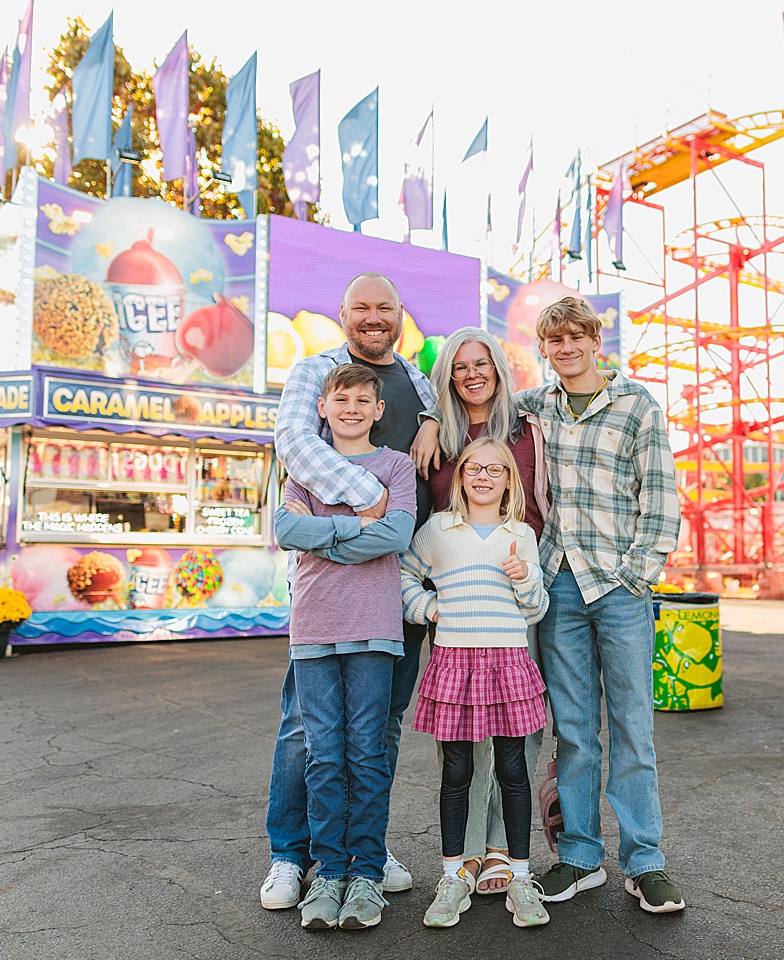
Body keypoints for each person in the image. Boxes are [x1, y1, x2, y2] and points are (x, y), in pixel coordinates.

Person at [412, 296, 683, 913]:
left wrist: (635, 576)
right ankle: (581, 856)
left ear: (595, 341)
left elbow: (661, 497)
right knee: (575, 731)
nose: (566, 349)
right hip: (559, 584)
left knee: (633, 729)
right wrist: (429, 417)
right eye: (555, 341)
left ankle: (645, 862)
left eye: (575, 338)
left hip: (619, 587)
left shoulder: (636, 404)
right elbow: (474, 397)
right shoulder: (538, 407)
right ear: (544, 350)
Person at [262, 273, 435, 910]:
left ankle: (367, 850)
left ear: (400, 315)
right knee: (306, 731)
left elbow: (433, 451)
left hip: (399, 585)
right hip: (327, 596)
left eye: (385, 307)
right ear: (342, 314)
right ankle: (291, 855)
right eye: (361, 307)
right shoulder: (317, 370)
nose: (373, 317)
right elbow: (294, 446)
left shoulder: (417, 381)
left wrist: (433, 420)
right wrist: (366, 508)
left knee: (378, 728)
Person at [273, 362, 417, 930]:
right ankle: (329, 871)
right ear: (323, 408)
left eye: (363, 400)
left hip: (375, 628)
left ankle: (366, 873)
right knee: (324, 755)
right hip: (313, 628)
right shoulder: (305, 467)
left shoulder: (396, 465)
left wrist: (323, 539)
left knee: (365, 753)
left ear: (379, 410)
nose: (352, 409)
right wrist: (355, 528)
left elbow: (397, 534)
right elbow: (287, 532)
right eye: (342, 399)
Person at [414, 327, 548, 895]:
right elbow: (423, 533)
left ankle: (501, 850)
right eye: (460, 366)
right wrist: (428, 604)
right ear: (447, 375)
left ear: (498, 368)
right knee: (461, 740)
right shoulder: (437, 435)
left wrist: (527, 575)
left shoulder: (526, 427)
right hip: (459, 598)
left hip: (515, 586)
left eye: (482, 363)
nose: (472, 374)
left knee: (515, 738)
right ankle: (465, 855)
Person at [401, 438, 551, 928]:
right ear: (460, 476)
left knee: (513, 770)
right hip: (455, 660)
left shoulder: (520, 535)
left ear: (509, 480)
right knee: (457, 772)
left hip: (508, 660)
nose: (483, 476)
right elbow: (403, 575)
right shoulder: (439, 530)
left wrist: (525, 577)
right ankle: (452, 878)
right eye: (473, 468)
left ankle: (520, 877)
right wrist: (429, 608)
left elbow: (536, 608)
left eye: (495, 469)